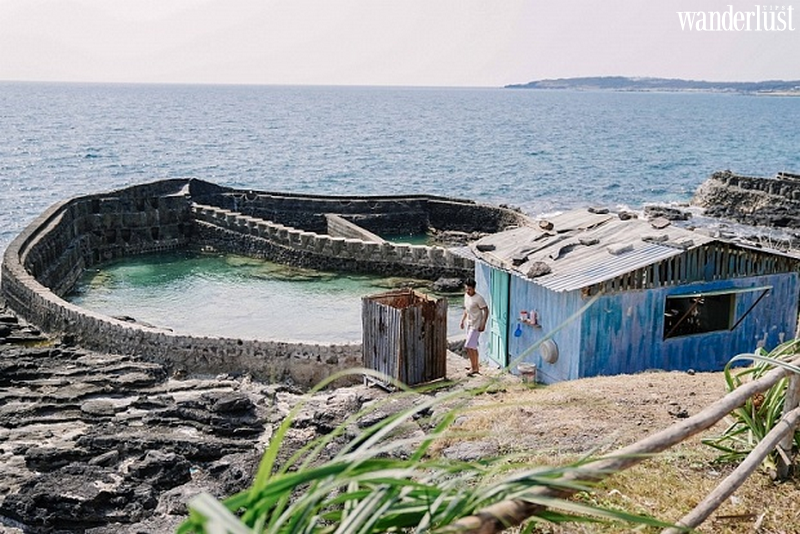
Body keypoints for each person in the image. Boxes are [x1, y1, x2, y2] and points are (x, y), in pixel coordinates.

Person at [460, 278, 488, 375]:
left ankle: (474, 367)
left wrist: (483, 323)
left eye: (470, 289)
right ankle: (475, 366)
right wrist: (462, 320)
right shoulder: (466, 296)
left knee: (468, 346)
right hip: (469, 323)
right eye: (466, 289)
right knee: (472, 347)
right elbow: (466, 309)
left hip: (476, 325)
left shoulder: (478, 298)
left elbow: (486, 310)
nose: (468, 291)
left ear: (474, 288)